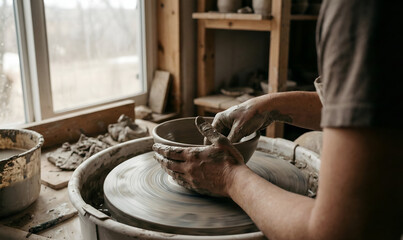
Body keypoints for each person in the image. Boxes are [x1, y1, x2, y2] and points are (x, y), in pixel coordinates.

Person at [153, 0, 403, 239]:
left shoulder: (361, 10)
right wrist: (268, 106)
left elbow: (343, 234)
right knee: (308, 142)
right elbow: (373, 110)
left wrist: (229, 178)